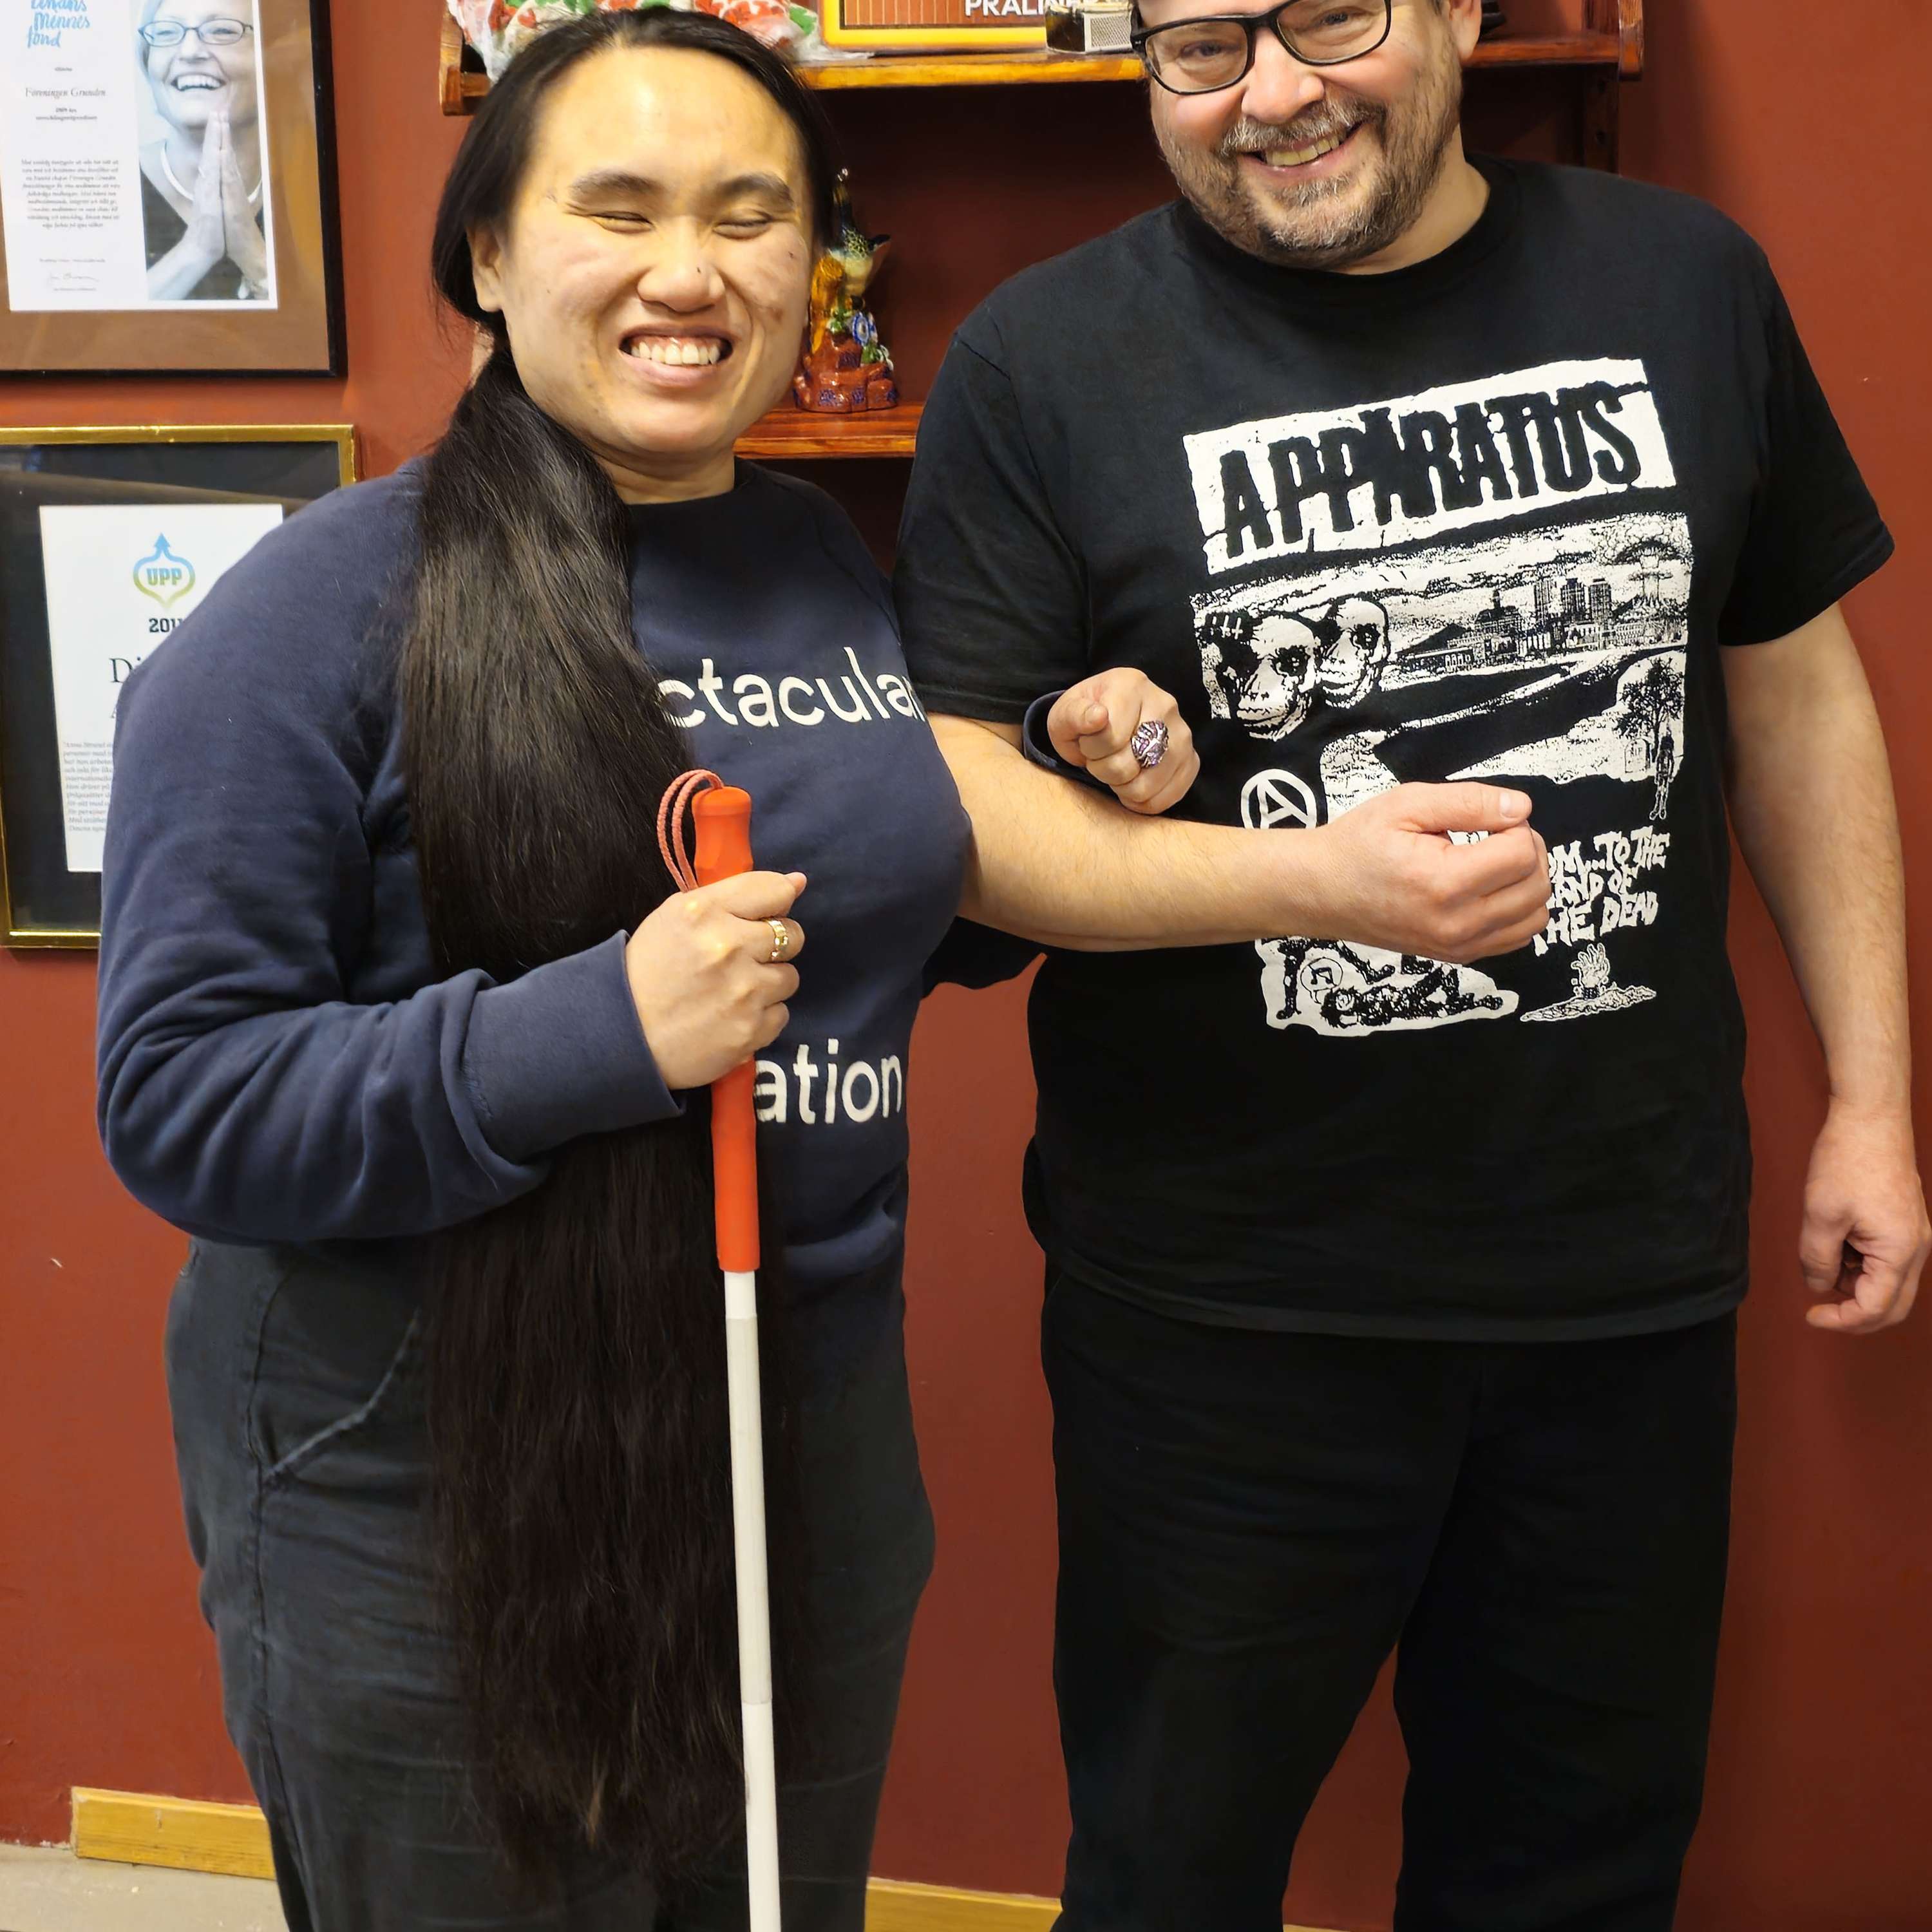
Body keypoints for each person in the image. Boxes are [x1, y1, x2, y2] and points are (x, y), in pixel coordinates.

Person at [93, 12, 1163, 1926]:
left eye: (751, 215)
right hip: (426, 1462)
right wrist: (602, 1030)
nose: (693, 272)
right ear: (491, 254)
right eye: (621, 208)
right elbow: (183, 1099)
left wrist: (1057, 792)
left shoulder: (820, 560)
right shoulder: (301, 622)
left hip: (798, 1417)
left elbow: (854, 924)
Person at [893, 1, 1929, 1927]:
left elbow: (1787, 685)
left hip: (1618, 1284)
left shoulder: (1681, 281)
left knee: (1575, 1874)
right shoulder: (1041, 363)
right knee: (1168, 1872)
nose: (1271, 94)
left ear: (1454, 8)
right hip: (1221, 1313)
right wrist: (1304, 883)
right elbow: (960, 805)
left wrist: (1870, 1098)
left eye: (1328, 19)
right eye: (1200, 49)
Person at [137, 0, 270, 301]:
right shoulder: (109, 183)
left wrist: (254, 257)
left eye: (222, 30)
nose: (189, 52)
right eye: (167, 32)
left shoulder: (310, 183)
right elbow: (87, 333)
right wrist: (197, 249)